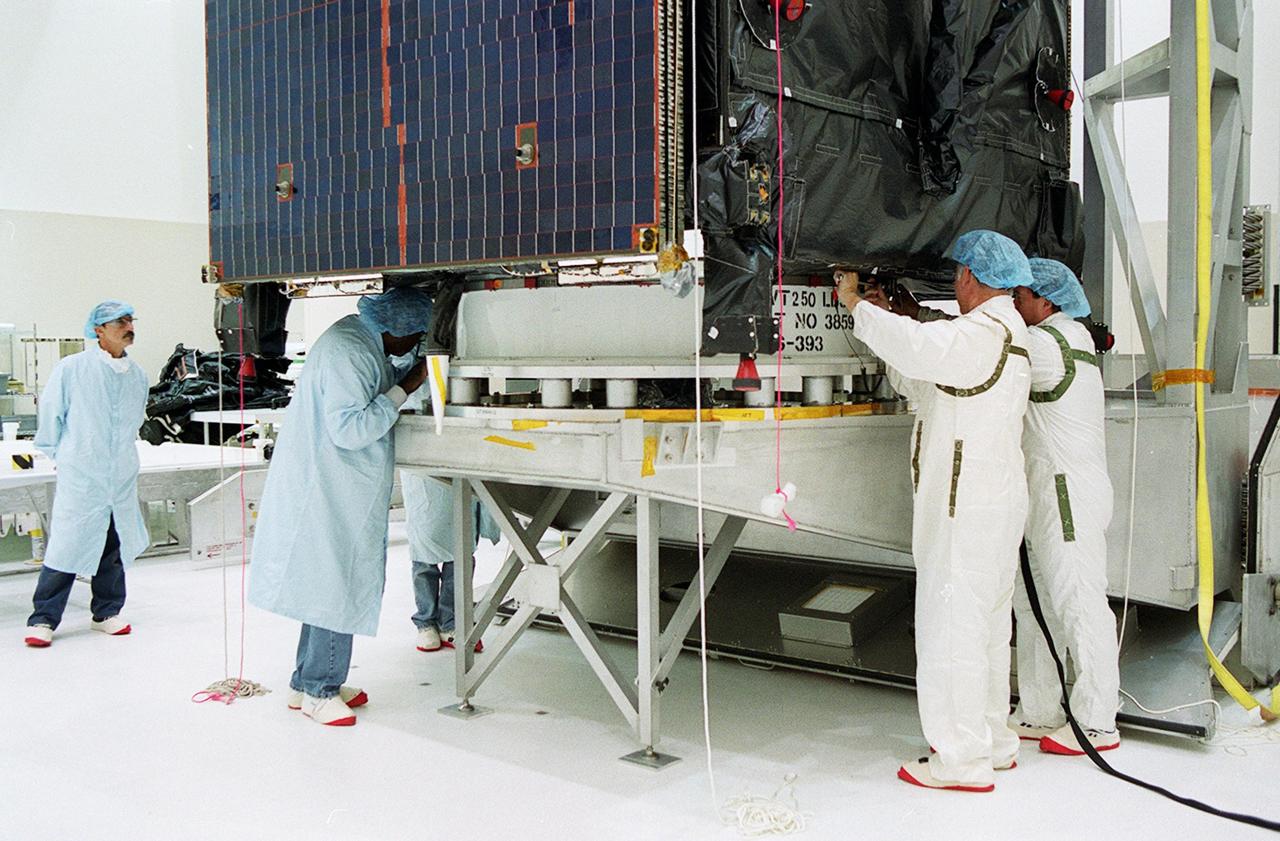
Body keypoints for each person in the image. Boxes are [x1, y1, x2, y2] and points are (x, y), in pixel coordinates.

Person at [836, 230, 1032, 792]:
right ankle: (992, 742)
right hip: (992, 503)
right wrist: (889, 321)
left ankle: (960, 759)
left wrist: (854, 305)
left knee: (953, 629)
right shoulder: (1004, 335)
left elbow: (925, 352)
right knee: (989, 626)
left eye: (957, 275)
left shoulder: (982, 333)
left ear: (969, 276)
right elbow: (929, 384)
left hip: (963, 505)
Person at [248, 286, 432, 727]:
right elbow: (350, 428)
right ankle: (319, 689)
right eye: (416, 338)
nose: (416, 348)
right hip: (330, 488)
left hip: (330, 485)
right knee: (335, 586)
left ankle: (304, 681)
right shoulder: (351, 351)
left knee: (323, 587)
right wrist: (405, 388)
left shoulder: (358, 339)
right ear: (397, 331)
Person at [1009, 258, 1120, 755]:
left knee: (1076, 600)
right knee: (1034, 604)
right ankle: (1038, 710)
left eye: (1020, 295)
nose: (1012, 303)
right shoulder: (1061, 337)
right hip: (1046, 494)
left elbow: (989, 344)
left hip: (1066, 496)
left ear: (1047, 301)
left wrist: (915, 320)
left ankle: (1098, 722)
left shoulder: (1052, 343)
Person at [24, 301, 149, 647]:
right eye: (119, 321)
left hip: (119, 472)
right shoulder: (73, 368)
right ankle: (43, 619)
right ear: (98, 329)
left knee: (113, 541)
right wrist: (59, 452)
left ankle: (107, 611)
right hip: (82, 470)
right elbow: (52, 413)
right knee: (68, 543)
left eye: (129, 320)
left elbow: (134, 420)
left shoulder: (137, 375)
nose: (128, 326)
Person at [402, 472, 499, 652]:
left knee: (460, 554)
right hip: (421, 477)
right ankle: (426, 622)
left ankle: (451, 623)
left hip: (461, 473)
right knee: (424, 557)